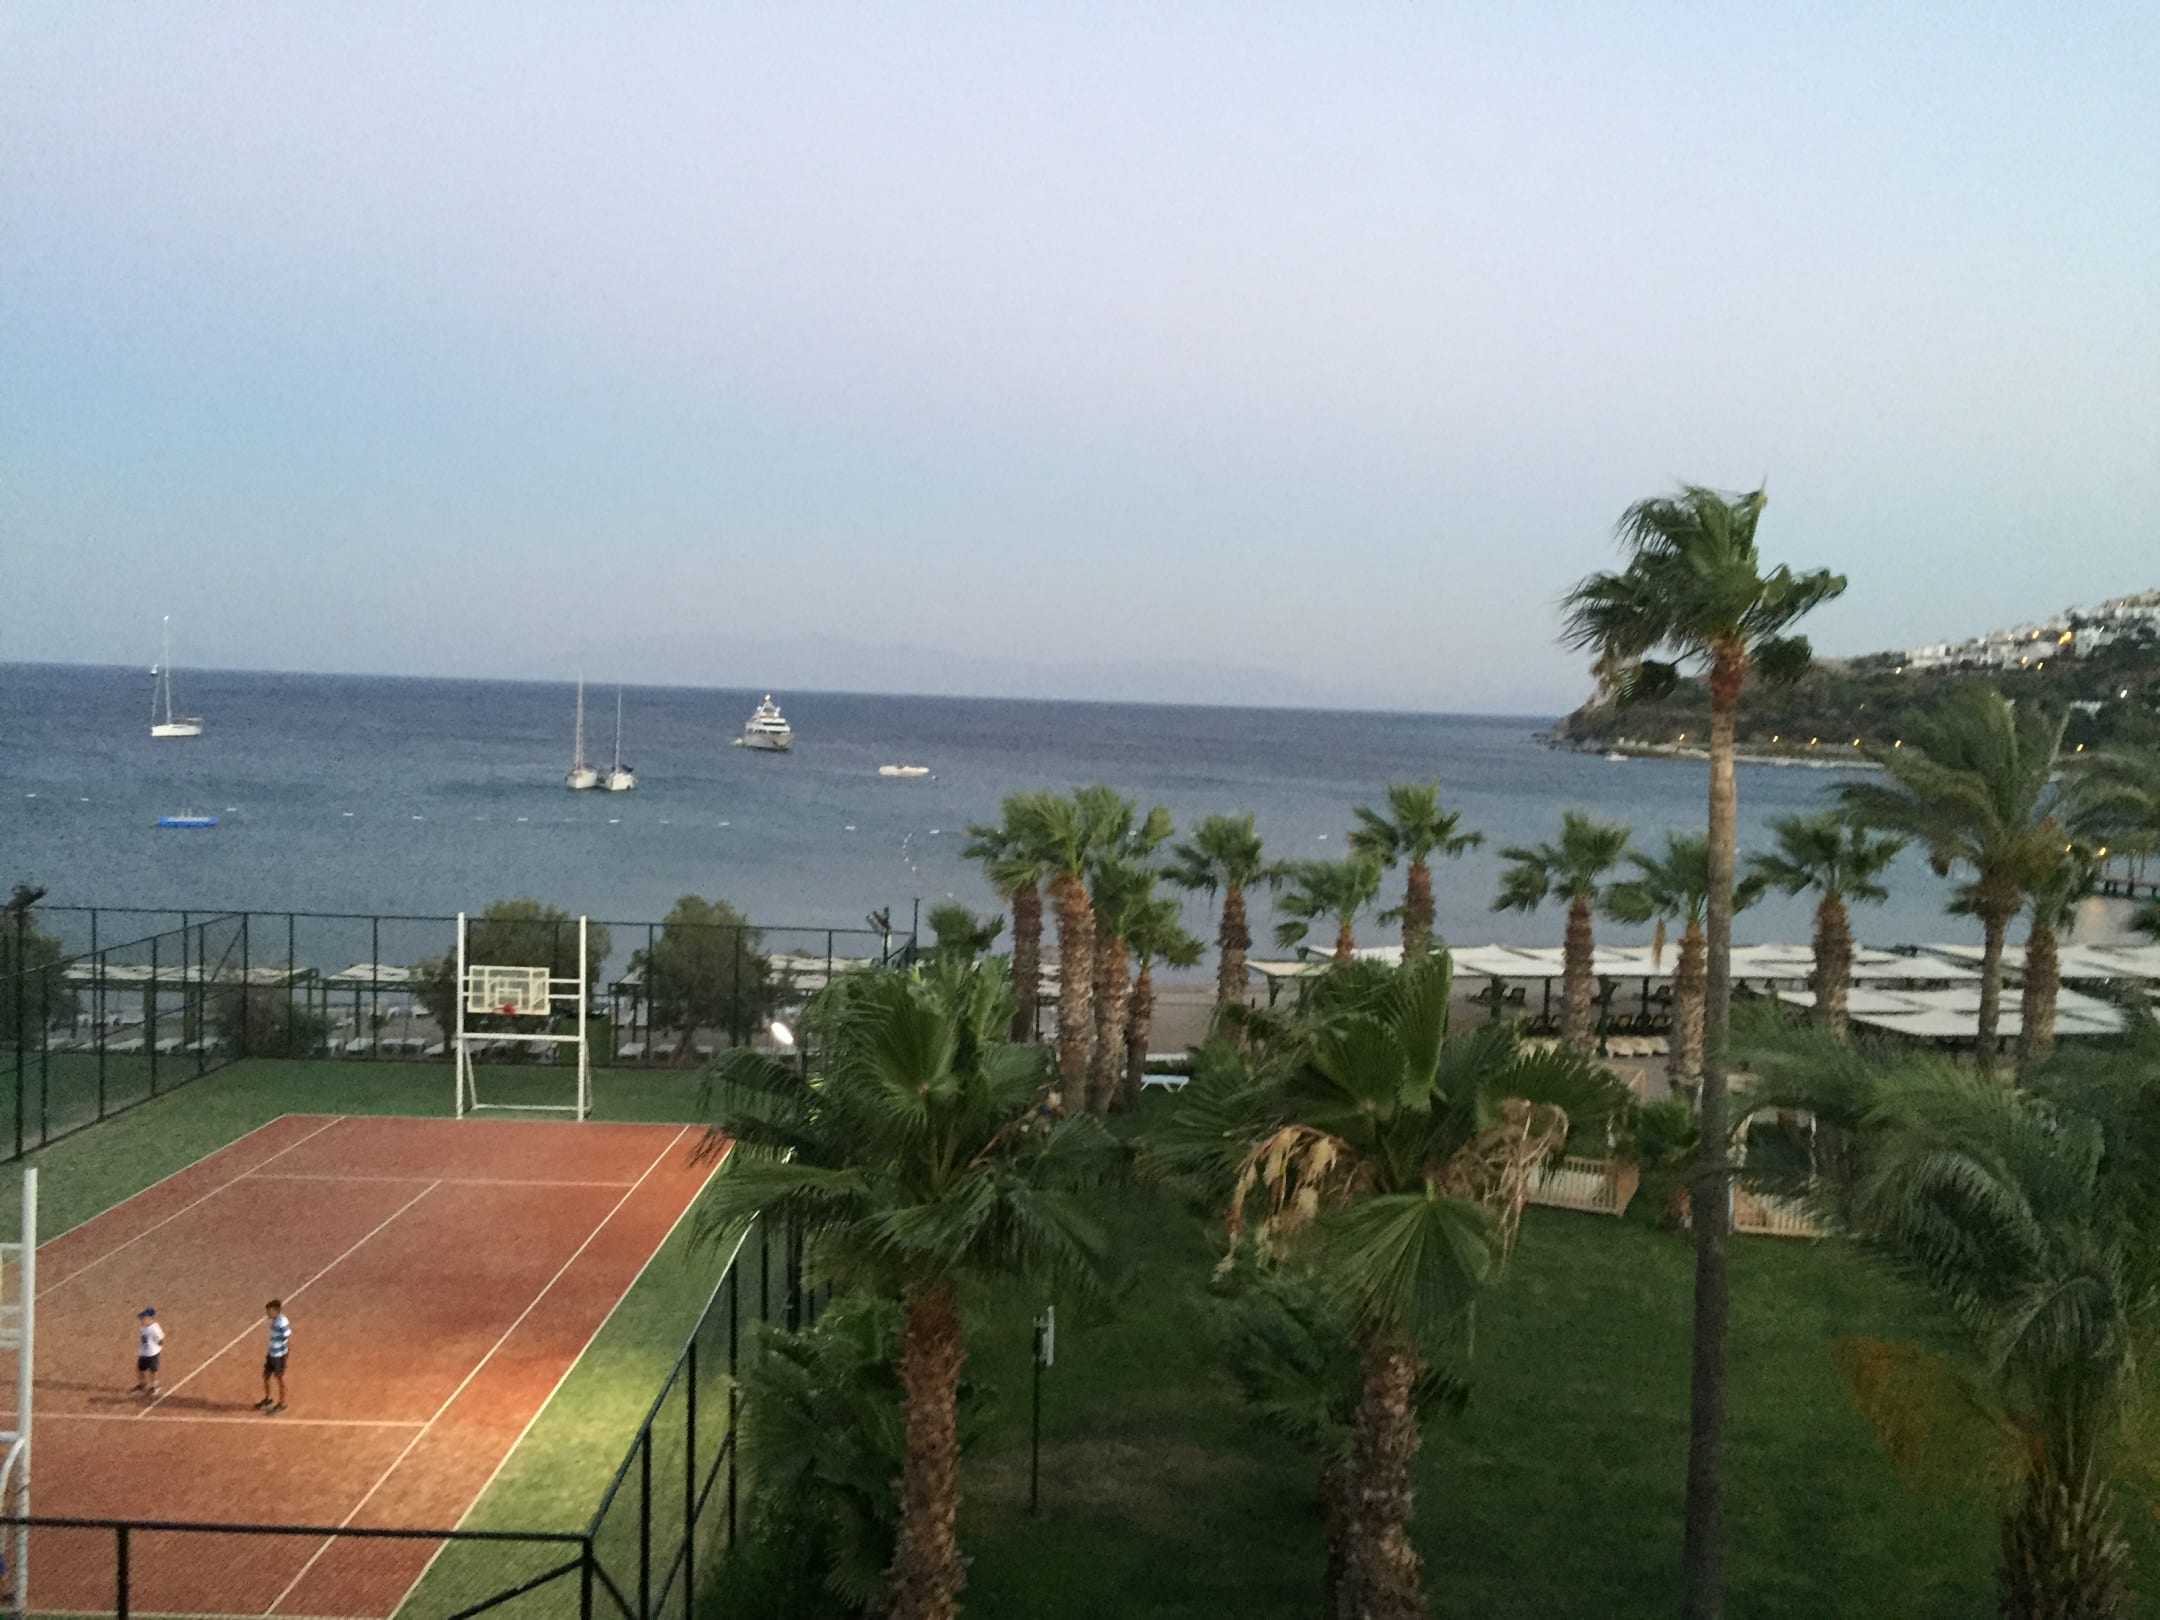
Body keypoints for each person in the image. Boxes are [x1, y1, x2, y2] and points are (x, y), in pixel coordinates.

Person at [257, 1299, 291, 1413]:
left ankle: (282, 1403)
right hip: (271, 1353)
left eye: (269, 1311)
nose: (267, 1314)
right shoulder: (274, 1321)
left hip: (279, 1356)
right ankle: (268, 1399)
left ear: (276, 1311)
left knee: (280, 1379)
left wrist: (286, 1356)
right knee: (266, 1375)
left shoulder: (282, 1322)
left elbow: (288, 1339)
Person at [134, 1307, 163, 1399]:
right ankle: (142, 1384)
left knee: (153, 1371)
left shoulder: (155, 1328)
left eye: (143, 1317)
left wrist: (156, 1348)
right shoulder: (143, 1327)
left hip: (152, 1353)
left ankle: (154, 1386)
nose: (141, 1319)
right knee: (140, 1369)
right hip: (143, 1352)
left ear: (150, 1317)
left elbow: (160, 1339)